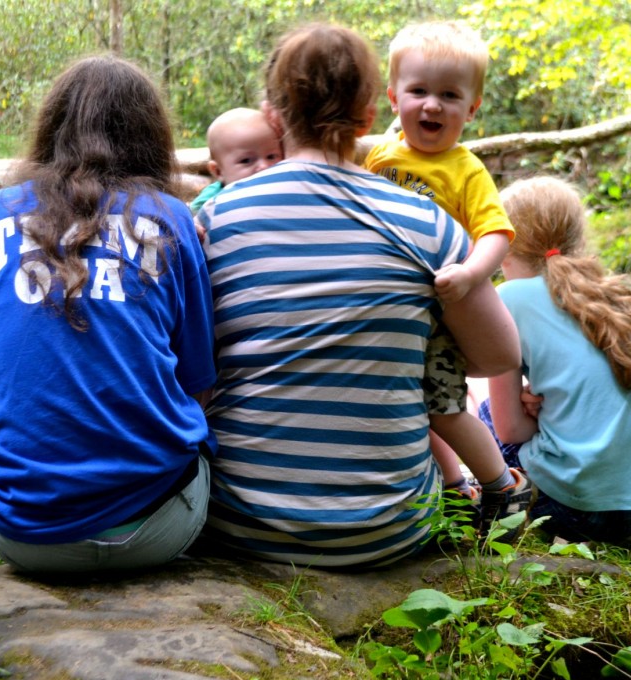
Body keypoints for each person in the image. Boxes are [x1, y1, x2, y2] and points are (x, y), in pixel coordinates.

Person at [198, 23, 520, 569]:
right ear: (372, 114)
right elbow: (499, 357)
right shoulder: (427, 223)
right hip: (386, 530)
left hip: (239, 523)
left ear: (273, 115)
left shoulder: (214, 220)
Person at [0, 55, 217, 574]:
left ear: (49, 128)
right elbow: (198, 384)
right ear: (151, 136)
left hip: (23, 535)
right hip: (159, 530)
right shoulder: (172, 220)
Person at [364, 20, 526, 520]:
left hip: (442, 310)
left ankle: (502, 485)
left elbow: (496, 232)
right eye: (418, 91)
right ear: (394, 98)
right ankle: (455, 486)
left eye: (449, 95)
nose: (432, 104)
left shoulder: (465, 169)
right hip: (390, 309)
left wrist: (472, 274)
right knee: (405, 405)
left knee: (444, 405)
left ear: (471, 109)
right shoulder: (379, 156)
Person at [484, 176, 631, 543]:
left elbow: (509, 431)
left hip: (571, 508)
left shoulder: (507, 299)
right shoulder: (619, 293)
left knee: (482, 414)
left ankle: (491, 505)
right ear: (578, 238)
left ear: (502, 246)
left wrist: (534, 416)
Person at [189, 107, 283, 213]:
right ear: (218, 171)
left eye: (271, 157)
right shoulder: (212, 197)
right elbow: (189, 217)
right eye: (246, 160)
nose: (263, 166)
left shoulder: (286, 185)